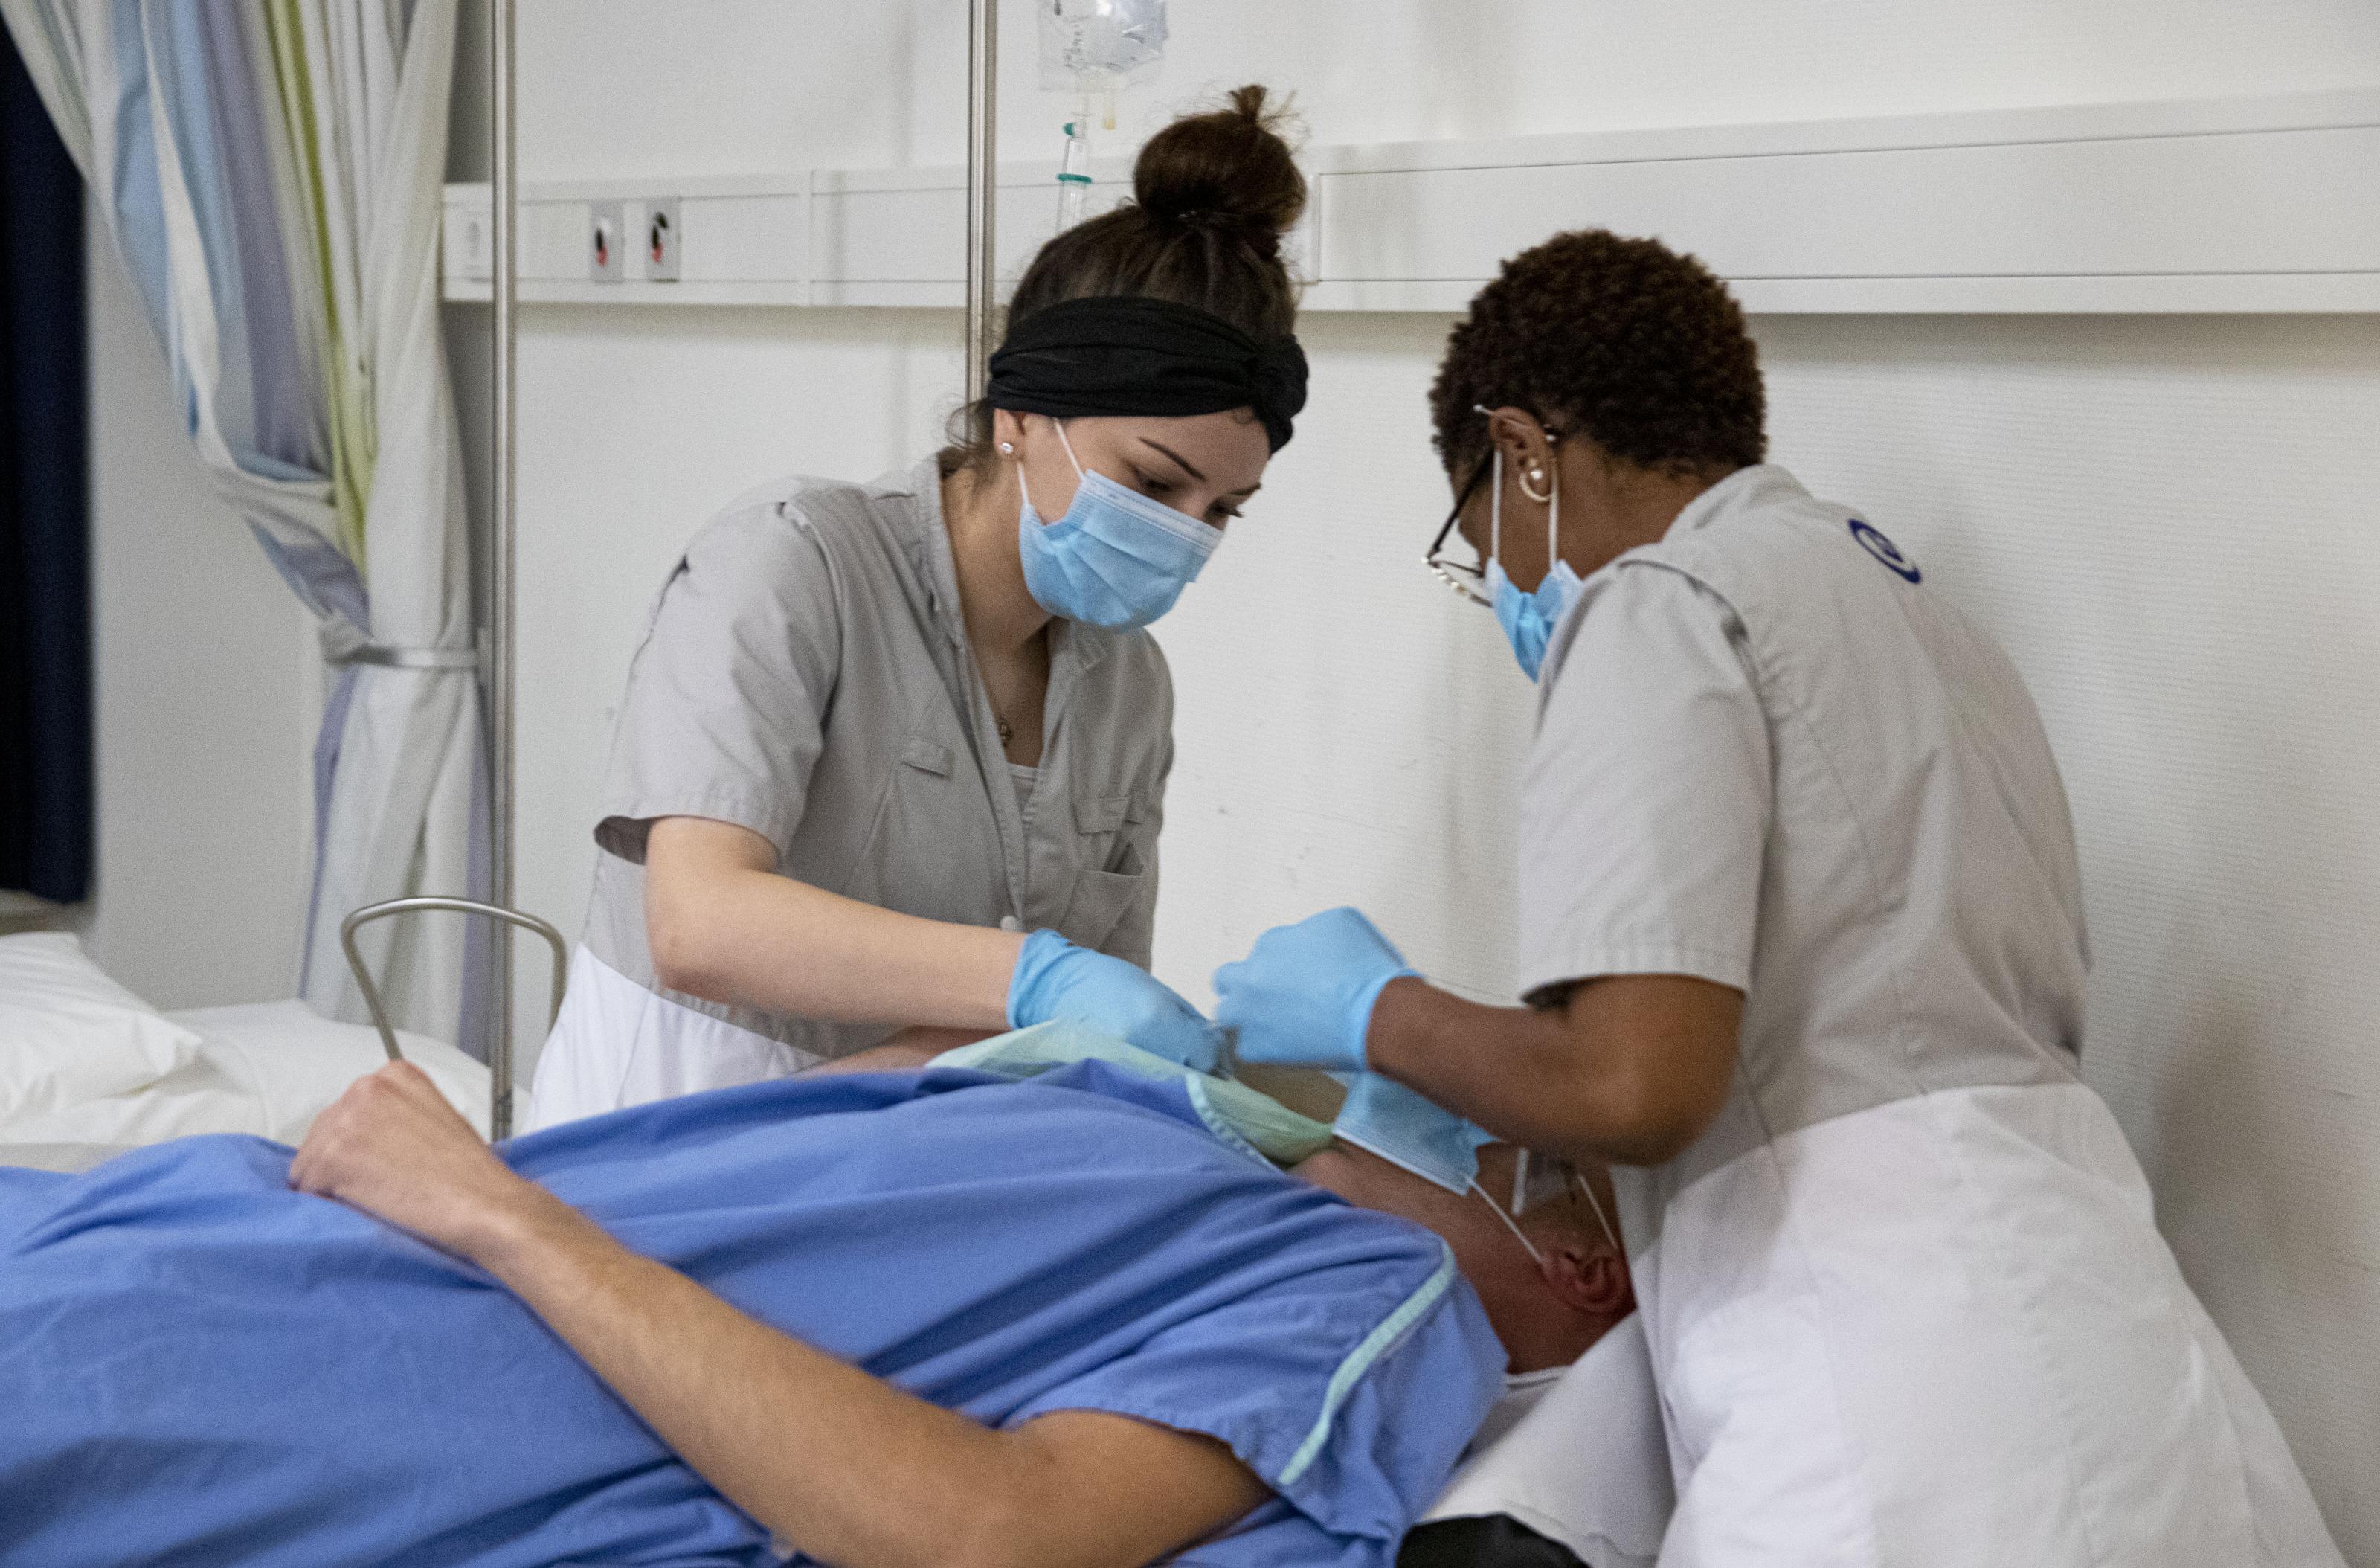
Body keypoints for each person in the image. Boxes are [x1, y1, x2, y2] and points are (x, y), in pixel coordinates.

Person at [1212, 231, 2346, 1564]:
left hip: (1904, 1381)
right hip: (2114, 1328)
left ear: (1521, 449)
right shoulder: (1906, 603)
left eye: (1488, 545)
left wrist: (1377, 1016)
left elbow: (1638, 1088)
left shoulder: (1656, 604)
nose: (1509, 592)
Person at [0, 1040, 1633, 1568]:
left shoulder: (1383, 1291)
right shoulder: (1142, 1093)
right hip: (267, 1223)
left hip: (389, 1370)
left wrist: (494, 1211)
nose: (1413, 1093)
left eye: (1500, 1125)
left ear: (1582, 1265)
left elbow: (995, 1530)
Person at [524, 86, 1308, 1131]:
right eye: (1156, 486)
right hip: (675, 1142)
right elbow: (699, 922)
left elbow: (1089, 1039)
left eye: (1225, 511)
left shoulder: (1126, 685)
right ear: (1023, 414)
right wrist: (1033, 981)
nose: (1186, 536)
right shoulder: (794, 563)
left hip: (906, 1161)